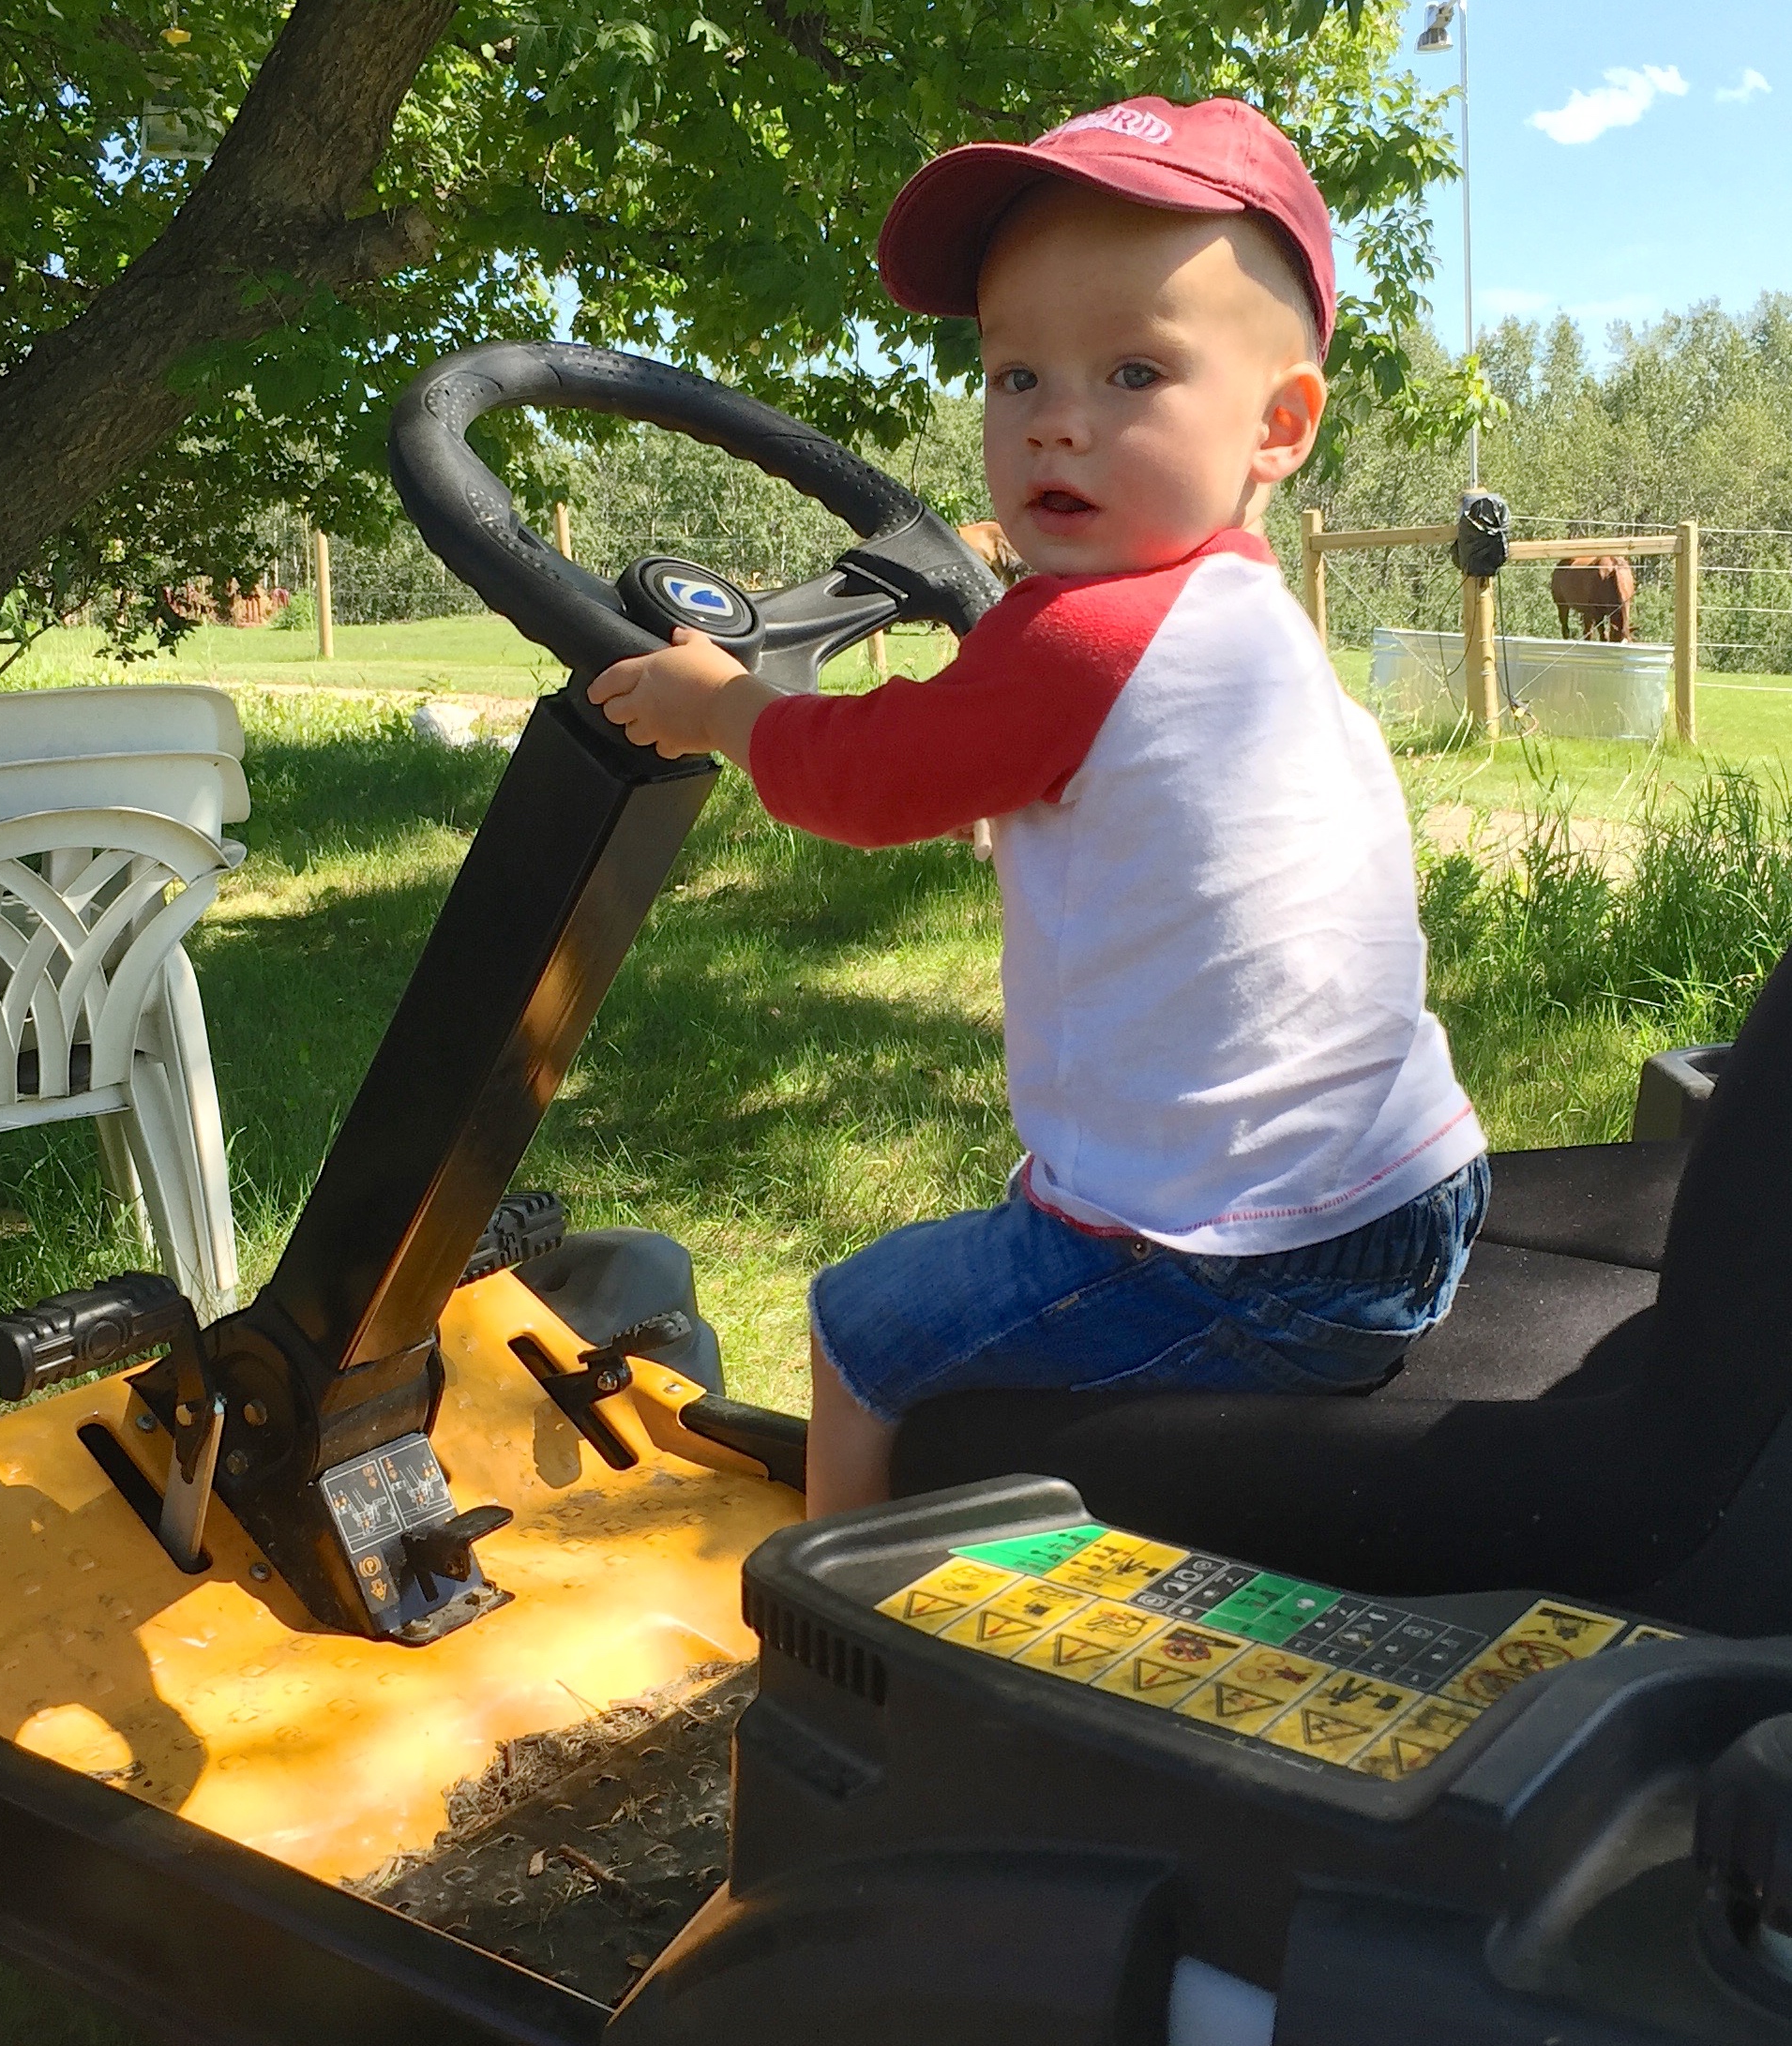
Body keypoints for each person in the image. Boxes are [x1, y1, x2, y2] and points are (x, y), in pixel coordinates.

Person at [587, 96, 1489, 1518]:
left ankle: (831, 1644)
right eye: (1015, 378)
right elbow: (1129, 799)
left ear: (1278, 423)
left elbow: (864, 780)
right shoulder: (1237, 616)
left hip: (1243, 1254)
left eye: (1133, 373)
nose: (1058, 422)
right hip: (1399, 1196)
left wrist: (718, 707)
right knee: (1002, 1232)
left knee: (855, 1326)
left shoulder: (1081, 634)